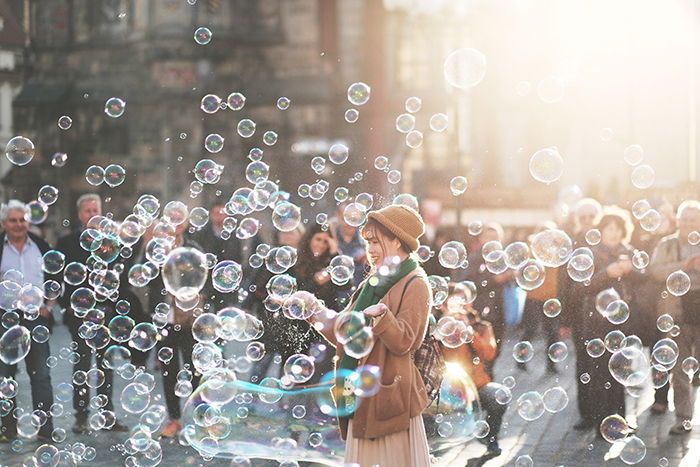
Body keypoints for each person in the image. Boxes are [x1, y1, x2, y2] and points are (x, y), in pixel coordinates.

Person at [307, 204, 431, 466]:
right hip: (360, 393)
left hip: (389, 401)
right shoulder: (372, 283)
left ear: (397, 241)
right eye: (367, 242)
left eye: (376, 241)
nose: (370, 250)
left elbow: (407, 341)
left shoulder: (415, 282)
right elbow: (345, 330)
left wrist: (383, 317)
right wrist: (312, 310)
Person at [56, 194, 132, 433]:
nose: (91, 214)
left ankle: (106, 415)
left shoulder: (111, 242)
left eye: (95, 210)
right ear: (79, 214)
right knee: (81, 366)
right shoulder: (67, 242)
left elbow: (122, 275)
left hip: (106, 313)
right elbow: (58, 279)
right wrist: (68, 307)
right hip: (79, 315)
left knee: (106, 364)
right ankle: (81, 417)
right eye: (87, 211)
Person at [572, 207, 642, 431]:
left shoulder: (629, 252)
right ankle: (600, 421)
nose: (613, 233)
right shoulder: (591, 254)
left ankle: (619, 420)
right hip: (596, 323)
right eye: (609, 228)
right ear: (600, 230)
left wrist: (632, 271)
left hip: (624, 323)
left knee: (622, 371)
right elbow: (579, 287)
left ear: (624, 231)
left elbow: (647, 279)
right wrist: (606, 273)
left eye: (617, 229)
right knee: (599, 373)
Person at [0, 200, 55, 442]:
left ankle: (45, 428)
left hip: (35, 318)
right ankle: (6, 429)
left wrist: (49, 306)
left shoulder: (41, 246)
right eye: (13, 220)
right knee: (4, 376)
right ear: (4, 223)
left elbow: (56, 279)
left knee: (41, 374)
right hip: (4, 317)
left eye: (22, 220)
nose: (18, 224)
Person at [145, 220, 202, 438]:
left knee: (195, 369)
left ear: (187, 223)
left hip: (188, 318)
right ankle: (174, 419)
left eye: (180, 220)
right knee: (169, 372)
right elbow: (143, 276)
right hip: (164, 317)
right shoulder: (155, 248)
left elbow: (203, 278)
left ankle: (202, 418)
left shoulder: (194, 249)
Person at [649, 200, 700, 434]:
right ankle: (684, 419)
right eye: (685, 219)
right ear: (677, 220)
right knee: (679, 369)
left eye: (694, 219)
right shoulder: (666, 244)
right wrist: (685, 265)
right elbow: (656, 271)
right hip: (676, 313)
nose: (689, 223)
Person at [441, 283, 507, 458]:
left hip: (476, 386)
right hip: (446, 389)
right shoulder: (434, 327)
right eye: (455, 301)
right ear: (443, 304)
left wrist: (469, 332)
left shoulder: (481, 326)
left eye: (465, 300)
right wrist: (445, 327)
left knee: (499, 395)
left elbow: (490, 353)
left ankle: (490, 439)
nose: (462, 305)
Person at [454, 223, 512, 368]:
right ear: (481, 239)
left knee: (495, 348)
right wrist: (495, 280)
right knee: (481, 351)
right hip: (480, 310)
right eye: (490, 237)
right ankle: (483, 381)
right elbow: (467, 282)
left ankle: (489, 377)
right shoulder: (474, 258)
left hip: (498, 309)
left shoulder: (500, 258)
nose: (494, 241)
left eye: (497, 238)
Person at [518, 222, 562, 374]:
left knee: (553, 333)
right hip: (534, 297)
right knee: (530, 330)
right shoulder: (532, 252)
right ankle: (521, 359)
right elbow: (524, 271)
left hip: (551, 297)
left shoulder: (557, 252)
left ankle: (551, 365)